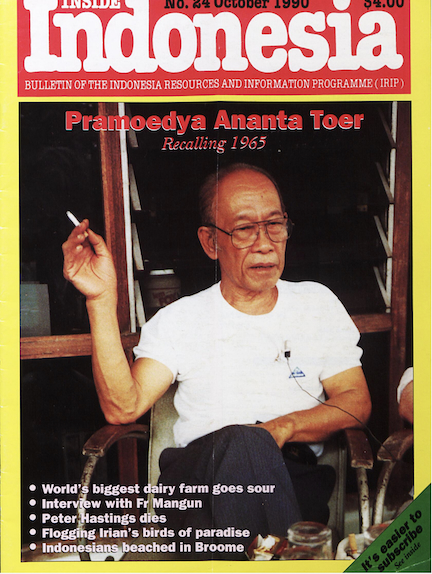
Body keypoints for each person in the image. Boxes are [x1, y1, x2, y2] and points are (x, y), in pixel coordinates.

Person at [63, 163, 371, 557]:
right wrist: (100, 299)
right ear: (211, 242)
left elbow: (356, 400)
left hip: (292, 479)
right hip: (198, 483)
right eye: (244, 229)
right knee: (243, 446)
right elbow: (123, 406)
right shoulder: (180, 319)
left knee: (251, 453)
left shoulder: (317, 304)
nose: (265, 244)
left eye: (275, 225)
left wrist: (280, 428)